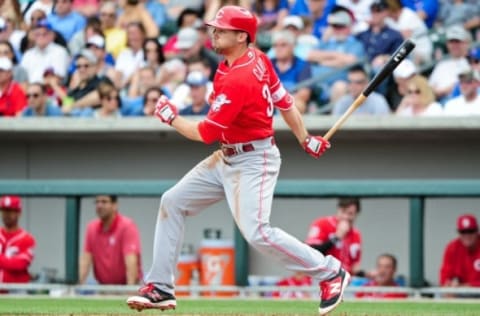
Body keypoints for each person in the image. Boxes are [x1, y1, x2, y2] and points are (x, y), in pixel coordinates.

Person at [126, 6, 350, 315]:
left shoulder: (241, 76)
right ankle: (161, 286)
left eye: (221, 29)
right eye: (215, 28)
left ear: (242, 36)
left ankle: (329, 272)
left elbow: (204, 133)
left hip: (253, 160)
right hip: (227, 156)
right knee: (172, 201)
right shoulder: (250, 60)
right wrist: (305, 138)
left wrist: (171, 118)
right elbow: (285, 103)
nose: (214, 33)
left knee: (257, 232)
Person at [79, 195, 142, 285]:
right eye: (97, 202)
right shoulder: (91, 227)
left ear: (115, 205)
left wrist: (129, 292)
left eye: (104, 202)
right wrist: (76, 288)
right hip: (104, 288)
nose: (99, 205)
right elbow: (86, 260)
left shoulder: (127, 226)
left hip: (126, 288)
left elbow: (131, 262)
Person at [306, 197, 362, 276]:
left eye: (350, 213)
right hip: (322, 278)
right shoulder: (322, 223)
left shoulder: (356, 234)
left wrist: (365, 274)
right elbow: (310, 252)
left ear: (356, 214)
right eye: (343, 212)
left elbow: (354, 266)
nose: (346, 217)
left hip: (344, 281)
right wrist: (336, 238)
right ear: (338, 209)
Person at [0, 195, 36, 284]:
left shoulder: (27, 239)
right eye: (4, 211)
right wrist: (8, 261)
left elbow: (20, 264)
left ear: (19, 213)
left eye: (10, 211)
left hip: (15, 291)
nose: (6, 215)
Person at [439, 214, 480, 288]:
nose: (467, 235)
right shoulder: (452, 248)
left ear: (477, 231)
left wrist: (468, 286)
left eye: (470, 231)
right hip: (460, 294)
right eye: (463, 232)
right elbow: (444, 278)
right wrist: (449, 283)